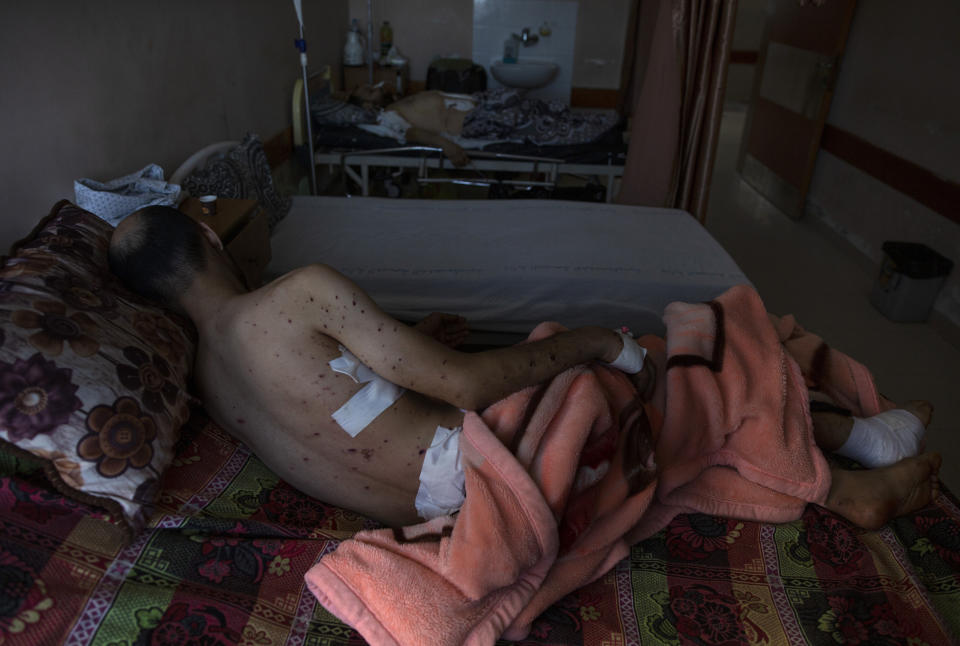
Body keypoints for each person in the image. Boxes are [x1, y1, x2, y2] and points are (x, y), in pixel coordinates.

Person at [108, 206, 941, 530]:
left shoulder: (202, 377)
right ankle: (844, 474)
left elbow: (332, 406)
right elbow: (467, 388)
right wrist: (591, 340)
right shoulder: (297, 292)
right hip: (477, 467)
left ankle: (842, 440)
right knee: (674, 356)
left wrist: (410, 337)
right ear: (214, 239)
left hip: (419, 499)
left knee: (651, 391)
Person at [311, 86, 621, 167]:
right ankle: (609, 135)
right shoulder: (385, 118)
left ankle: (612, 128)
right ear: (366, 106)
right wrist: (448, 146)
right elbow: (413, 134)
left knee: (550, 111)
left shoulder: (397, 100)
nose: (374, 86)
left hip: (485, 105)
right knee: (546, 125)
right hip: (480, 122)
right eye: (368, 90)